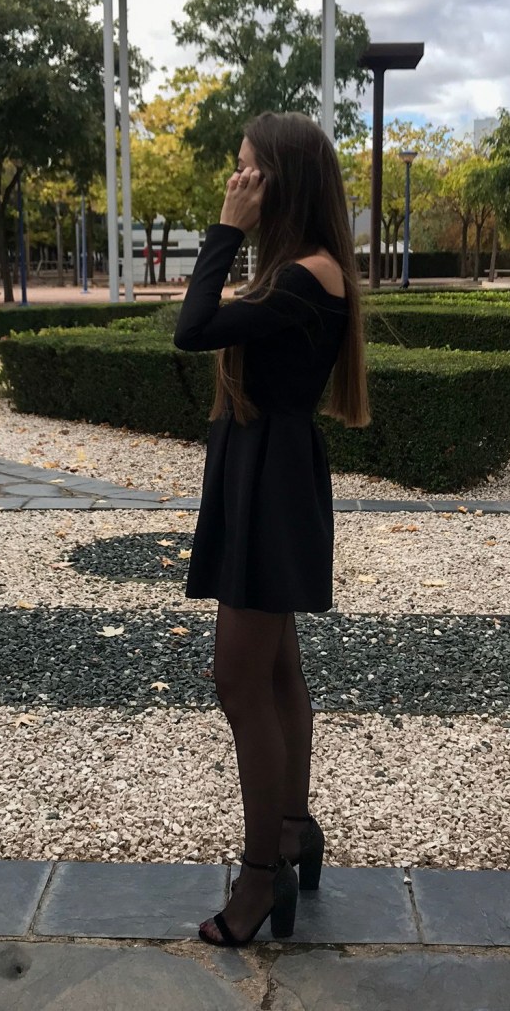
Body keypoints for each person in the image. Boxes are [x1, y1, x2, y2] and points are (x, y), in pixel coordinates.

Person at [174, 111, 371, 948]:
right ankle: (293, 829)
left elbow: (192, 328)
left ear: (279, 181)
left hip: (270, 482)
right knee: (279, 669)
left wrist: (224, 230)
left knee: (239, 681)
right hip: (265, 474)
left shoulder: (304, 279)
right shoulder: (303, 271)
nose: (237, 182)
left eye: (248, 171)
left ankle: (261, 876)